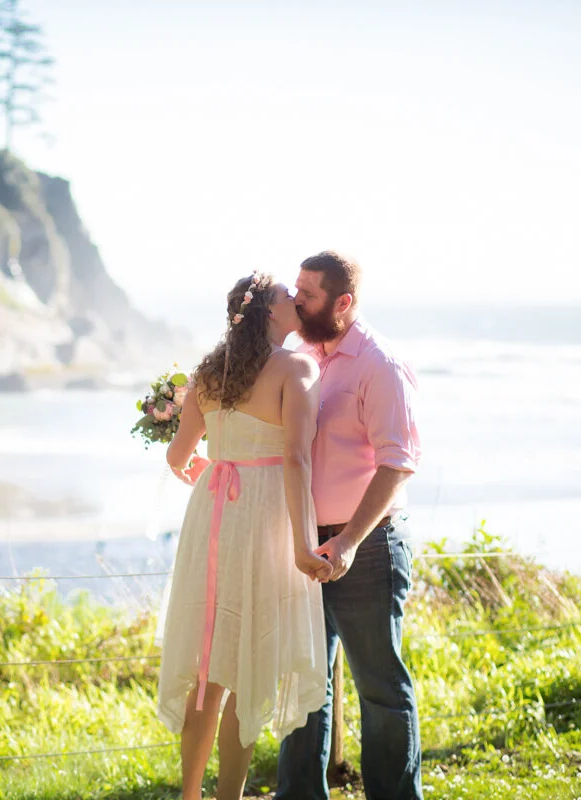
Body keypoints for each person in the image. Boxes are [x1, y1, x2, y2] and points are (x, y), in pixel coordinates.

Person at [157, 271, 332, 800]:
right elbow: (297, 459)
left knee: (209, 665)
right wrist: (304, 545)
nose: (297, 302)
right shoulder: (296, 367)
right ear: (271, 314)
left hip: (211, 512)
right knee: (245, 666)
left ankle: (190, 796)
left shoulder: (209, 371)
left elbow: (176, 457)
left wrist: (211, 469)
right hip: (261, 516)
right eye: (288, 297)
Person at [276, 250, 423, 800]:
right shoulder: (299, 351)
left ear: (344, 302)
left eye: (307, 293)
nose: (296, 300)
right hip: (301, 545)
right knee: (304, 681)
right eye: (295, 289)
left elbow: (399, 462)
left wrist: (348, 542)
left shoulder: (379, 364)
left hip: (366, 547)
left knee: (380, 686)